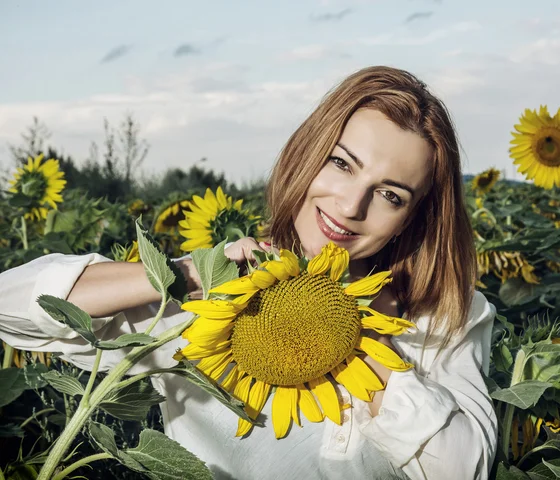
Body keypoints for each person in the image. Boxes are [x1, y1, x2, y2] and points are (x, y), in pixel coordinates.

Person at [0, 66, 497, 479]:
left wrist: (363, 342)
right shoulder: (209, 303)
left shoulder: (445, 316)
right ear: (305, 153)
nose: (350, 206)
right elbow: (13, 308)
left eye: (391, 195)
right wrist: (188, 276)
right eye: (341, 164)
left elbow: (467, 471)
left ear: (413, 216)